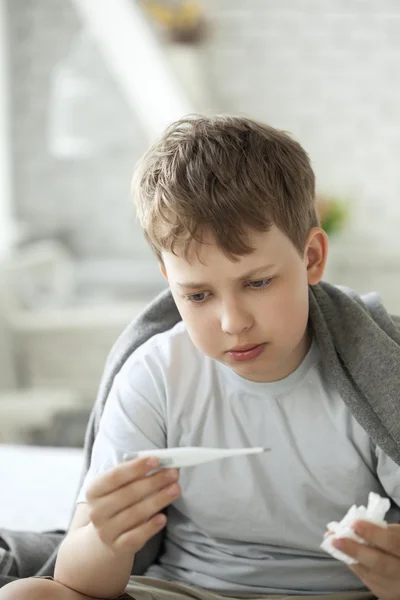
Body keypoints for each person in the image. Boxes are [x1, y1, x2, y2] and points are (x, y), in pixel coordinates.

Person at [1, 115, 399, 600]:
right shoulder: (157, 375)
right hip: (186, 590)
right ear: (168, 278)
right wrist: (106, 537)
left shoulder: (378, 371)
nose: (232, 322)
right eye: (197, 295)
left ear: (312, 257)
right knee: (27, 595)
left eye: (257, 283)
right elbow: (78, 582)